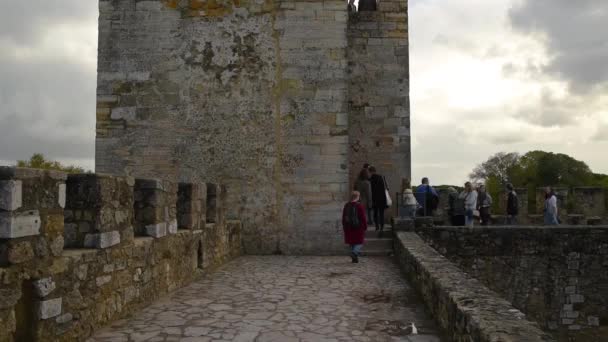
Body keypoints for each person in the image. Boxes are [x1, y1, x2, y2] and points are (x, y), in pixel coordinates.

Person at [342, 191, 368, 263]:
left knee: (352, 242)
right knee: (359, 242)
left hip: (348, 227)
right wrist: (365, 226)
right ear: (357, 197)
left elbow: (343, 217)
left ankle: (354, 259)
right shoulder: (359, 206)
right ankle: (354, 252)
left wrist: (344, 226)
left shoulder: (346, 205)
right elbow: (363, 217)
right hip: (358, 227)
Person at [369, 166, 388, 232]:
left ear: (370, 172)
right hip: (382, 198)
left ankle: (377, 226)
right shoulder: (381, 177)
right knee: (381, 213)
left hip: (374, 199)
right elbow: (385, 188)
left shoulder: (370, 179)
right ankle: (382, 227)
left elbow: (370, 190)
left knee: (375, 213)